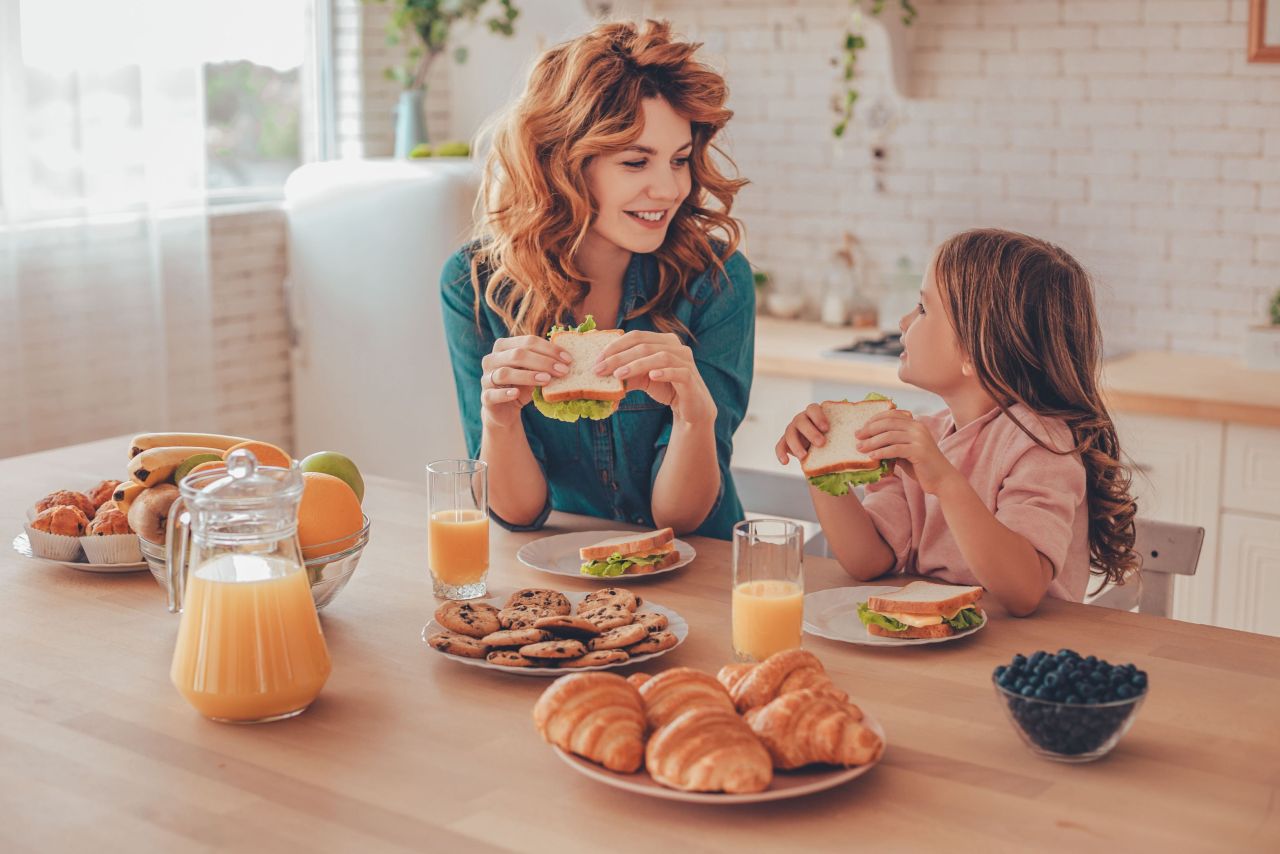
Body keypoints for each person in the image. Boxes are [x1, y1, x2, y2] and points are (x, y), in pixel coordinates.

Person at [440, 19, 753, 539]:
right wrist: (498, 419)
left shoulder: (716, 279)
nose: (670, 187)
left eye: (679, 160)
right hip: (564, 569)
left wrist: (695, 416)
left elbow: (679, 520)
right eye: (636, 161)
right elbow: (517, 513)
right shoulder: (475, 285)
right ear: (562, 163)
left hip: (701, 569)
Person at [776, 229, 1138, 615]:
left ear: (975, 348)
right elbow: (869, 560)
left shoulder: (1040, 445)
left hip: (1023, 658)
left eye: (923, 309)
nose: (902, 321)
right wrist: (820, 464)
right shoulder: (925, 436)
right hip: (940, 656)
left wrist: (947, 483)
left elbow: (1024, 590)